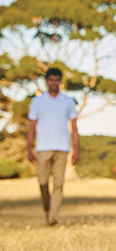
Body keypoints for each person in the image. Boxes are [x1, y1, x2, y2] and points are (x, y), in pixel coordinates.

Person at [26, 67, 80, 226]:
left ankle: (53, 217)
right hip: (43, 147)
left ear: (60, 81)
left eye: (57, 80)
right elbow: (31, 127)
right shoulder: (37, 101)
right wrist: (29, 148)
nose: (54, 83)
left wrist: (76, 149)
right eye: (51, 80)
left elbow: (75, 128)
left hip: (62, 148)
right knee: (43, 183)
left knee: (59, 184)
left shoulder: (68, 102)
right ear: (47, 81)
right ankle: (48, 210)